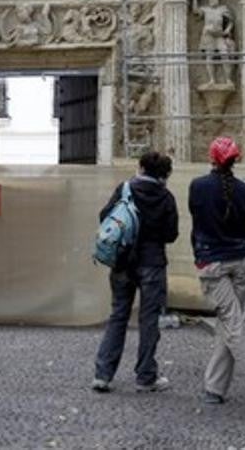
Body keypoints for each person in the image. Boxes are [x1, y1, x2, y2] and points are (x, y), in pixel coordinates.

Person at [189, 137, 245, 410]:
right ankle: (214, 388)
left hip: (213, 263)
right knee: (230, 324)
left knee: (233, 327)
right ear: (235, 160)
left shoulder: (198, 187)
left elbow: (197, 221)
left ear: (211, 158)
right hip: (242, 263)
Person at [93, 151, 179, 393]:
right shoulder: (166, 197)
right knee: (149, 320)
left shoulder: (125, 189)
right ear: (165, 174)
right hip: (152, 263)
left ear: (140, 167)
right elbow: (171, 234)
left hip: (123, 261)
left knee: (118, 315)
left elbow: (104, 216)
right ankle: (145, 376)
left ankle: (103, 374)